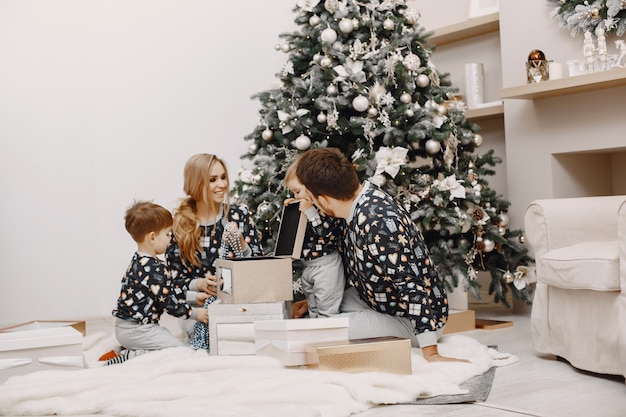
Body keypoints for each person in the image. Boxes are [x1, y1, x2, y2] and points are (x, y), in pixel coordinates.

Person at [295, 147, 466, 363]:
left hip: (411, 319)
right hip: (377, 299)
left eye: (311, 198)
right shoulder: (357, 201)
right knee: (317, 314)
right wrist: (313, 299)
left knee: (322, 329)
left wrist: (431, 352)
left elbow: (411, 286)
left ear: (325, 200)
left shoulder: (379, 223)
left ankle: (425, 342)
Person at [165, 153, 263, 351]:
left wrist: (242, 244)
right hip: (200, 307)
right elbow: (172, 281)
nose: (222, 185)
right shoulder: (180, 225)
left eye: (223, 177)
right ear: (196, 183)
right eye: (212, 180)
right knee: (211, 341)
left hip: (237, 301)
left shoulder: (239, 215)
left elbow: (258, 267)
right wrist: (200, 284)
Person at [104, 201, 209, 365]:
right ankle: (128, 356)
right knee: (180, 352)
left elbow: (168, 291)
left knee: (168, 341)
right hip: (137, 330)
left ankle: (127, 349)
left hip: (129, 328)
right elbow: (170, 304)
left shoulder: (140, 261)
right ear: (152, 237)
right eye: (167, 235)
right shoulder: (154, 269)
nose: (170, 239)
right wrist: (196, 313)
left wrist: (194, 297)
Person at [284, 161, 346, 319]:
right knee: (313, 307)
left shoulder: (326, 207)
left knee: (327, 309)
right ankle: (315, 336)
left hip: (326, 265)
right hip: (308, 266)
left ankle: (328, 339)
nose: (296, 197)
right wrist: (293, 208)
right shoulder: (306, 207)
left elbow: (327, 234)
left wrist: (311, 212)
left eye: (297, 192)